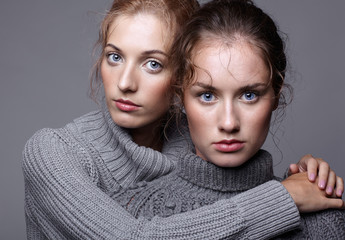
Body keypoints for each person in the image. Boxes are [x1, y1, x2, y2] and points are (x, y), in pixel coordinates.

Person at [22, 0, 343, 239]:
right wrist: (284, 198)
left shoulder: (205, 140)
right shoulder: (54, 151)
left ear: (181, 77)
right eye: (114, 57)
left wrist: (310, 176)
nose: (125, 83)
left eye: (152, 63)